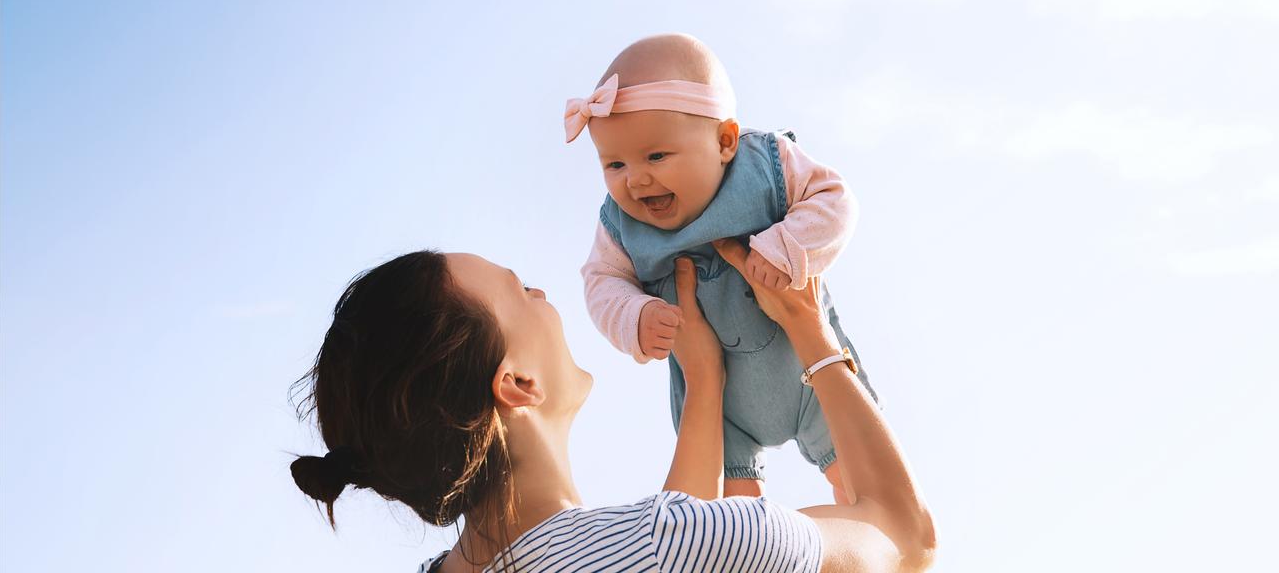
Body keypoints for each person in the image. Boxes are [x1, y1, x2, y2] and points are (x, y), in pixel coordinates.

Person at [290, 238, 935, 572]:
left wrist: (705, 382)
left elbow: (662, 542)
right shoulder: (668, 545)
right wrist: (809, 330)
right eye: (520, 290)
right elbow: (905, 541)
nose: (542, 291)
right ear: (516, 384)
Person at [569, 33, 876, 501]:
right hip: (721, 404)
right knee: (730, 518)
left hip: (810, 369)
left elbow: (835, 200)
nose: (636, 179)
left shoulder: (766, 165)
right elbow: (601, 281)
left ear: (725, 141)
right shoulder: (619, 228)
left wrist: (787, 246)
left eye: (656, 155)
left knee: (861, 484)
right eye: (613, 164)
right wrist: (635, 316)